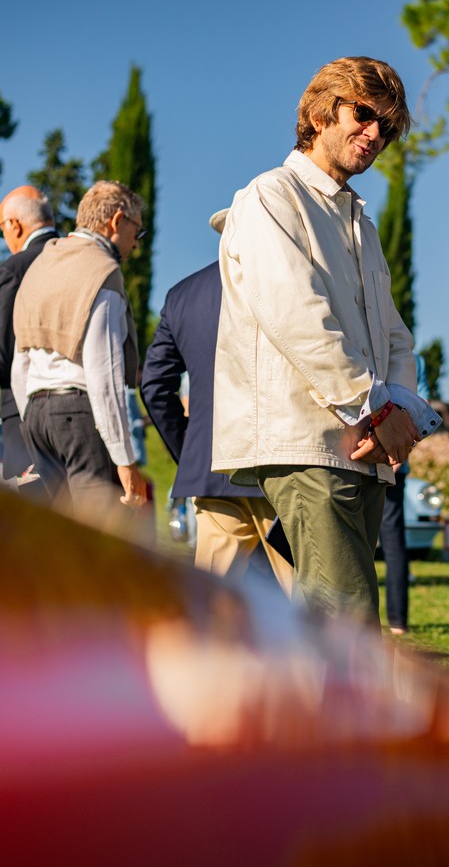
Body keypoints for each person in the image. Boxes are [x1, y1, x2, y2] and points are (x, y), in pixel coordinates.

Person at [213, 57, 419, 622]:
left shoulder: (359, 221)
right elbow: (299, 320)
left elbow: (394, 334)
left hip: (365, 448)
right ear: (321, 110)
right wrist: (378, 412)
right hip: (310, 443)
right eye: (364, 113)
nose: (376, 133)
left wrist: (398, 415)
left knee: (330, 624)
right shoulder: (270, 197)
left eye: (389, 126)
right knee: (345, 623)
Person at [141, 246, 293, 594]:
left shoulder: (183, 294)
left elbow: (153, 385)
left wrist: (190, 451)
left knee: (204, 607)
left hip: (213, 473)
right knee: (306, 603)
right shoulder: (290, 283)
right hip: (282, 469)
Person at [11, 180, 148, 517]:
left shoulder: (43, 264)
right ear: (117, 222)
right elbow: (105, 372)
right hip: (79, 416)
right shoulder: (102, 272)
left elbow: (20, 362)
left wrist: (31, 417)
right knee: (97, 535)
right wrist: (124, 460)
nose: (136, 245)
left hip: (36, 417)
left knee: (62, 536)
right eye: (137, 232)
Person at [0, 186, 57, 486]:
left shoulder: (14, 269)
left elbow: (1, 356)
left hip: (24, 426)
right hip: (84, 421)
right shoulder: (85, 262)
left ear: (14, 224)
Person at [379, 352, 430, 634]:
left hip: (360, 456)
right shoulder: (412, 358)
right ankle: (397, 622)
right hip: (396, 461)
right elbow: (419, 403)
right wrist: (402, 446)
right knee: (393, 542)